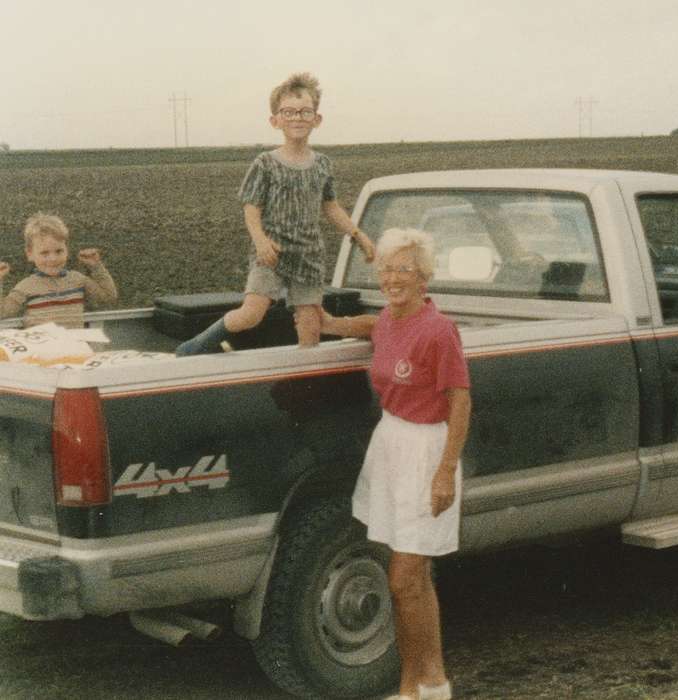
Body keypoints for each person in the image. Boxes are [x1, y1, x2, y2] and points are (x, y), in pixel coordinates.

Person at [321, 228, 470, 700]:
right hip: (390, 445)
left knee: (404, 578)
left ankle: (433, 685)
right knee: (415, 581)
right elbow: (372, 326)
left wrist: (445, 471)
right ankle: (418, 687)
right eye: (385, 269)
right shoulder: (387, 319)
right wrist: (327, 322)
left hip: (427, 452)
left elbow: (461, 402)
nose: (392, 278)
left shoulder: (438, 330)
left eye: (403, 269)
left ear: (424, 276)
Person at [176, 72, 375, 355]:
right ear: (276, 120)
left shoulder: (322, 164)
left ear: (316, 119)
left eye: (305, 112)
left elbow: (330, 205)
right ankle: (193, 348)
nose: (297, 118)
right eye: (289, 112)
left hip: (308, 255)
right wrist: (260, 241)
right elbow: (251, 207)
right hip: (271, 253)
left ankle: (305, 380)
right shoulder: (265, 163)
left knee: (310, 325)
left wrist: (358, 235)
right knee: (251, 314)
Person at [0, 212, 118, 328]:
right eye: (44, 253)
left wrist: (96, 267)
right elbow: (2, 312)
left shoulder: (78, 280)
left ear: (66, 249)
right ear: (30, 254)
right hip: (43, 347)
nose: (53, 259)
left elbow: (107, 298)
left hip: (73, 345)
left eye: (59, 251)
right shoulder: (25, 287)